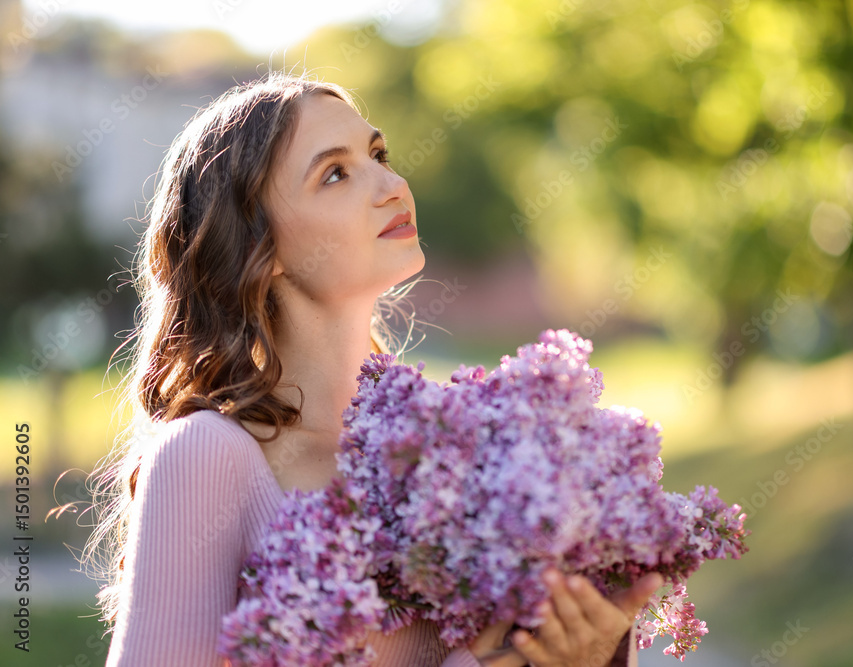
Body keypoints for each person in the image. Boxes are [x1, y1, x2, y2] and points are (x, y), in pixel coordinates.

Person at [80, 70, 661, 667]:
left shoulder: (461, 441)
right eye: (334, 173)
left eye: (378, 154)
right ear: (260, 247)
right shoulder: (207, 455)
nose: (391, 185)